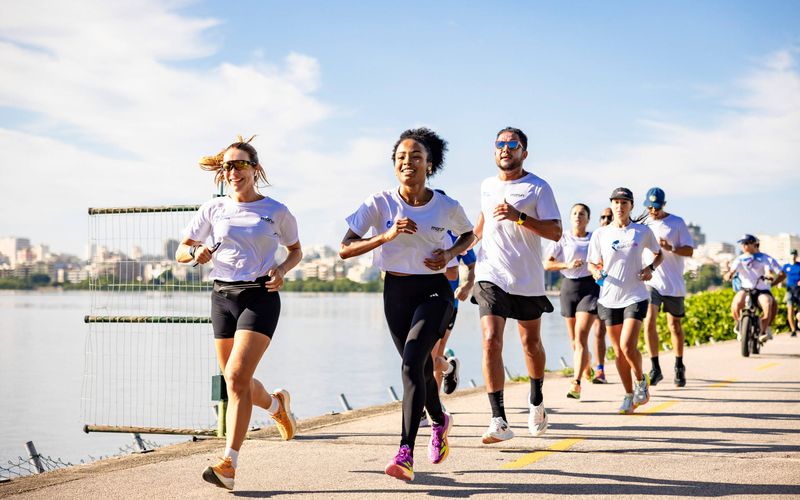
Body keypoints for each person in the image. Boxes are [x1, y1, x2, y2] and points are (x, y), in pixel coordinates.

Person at [340, 128, 474, 481]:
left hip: (435, 290)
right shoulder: (379, 203)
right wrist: (385, 236)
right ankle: (440, 420)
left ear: (430, 165)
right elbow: (344, 248)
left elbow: (469, 234)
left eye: (416, 157)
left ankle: (404, 452)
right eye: (401, 157)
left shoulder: (446, 206)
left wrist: (449, 252)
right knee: (415, 368)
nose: (407, 162)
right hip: (395, 292)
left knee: (413, 361)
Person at [177, 136, 303, 491]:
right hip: (221, 297)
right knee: (239, 381)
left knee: (234, 378)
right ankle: (277, 404)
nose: (233, 171)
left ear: (255, 169)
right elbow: (181, 252)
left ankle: (228, 464)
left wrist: (282, 271)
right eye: (228, 166)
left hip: (259, 296)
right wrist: (197, 252)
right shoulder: (213, 209)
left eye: (241, 164)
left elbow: (295, 251)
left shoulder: (276, 210)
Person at [472, 127, 562, 444]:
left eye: (513, 144)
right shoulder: (486, 186)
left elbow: (555, 232)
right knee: (490, 340)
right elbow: (479, 228)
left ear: (524, 152)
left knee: (530, 345)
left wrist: (519, 216)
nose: (505, 149)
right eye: (500, 144)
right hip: (490, 273)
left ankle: (536, 398)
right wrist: (454, 253)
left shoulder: (538, 187)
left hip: (526, 279)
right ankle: (498, 419)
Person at [588, 187, 663, 414]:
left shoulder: (641, 232)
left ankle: (641, 381)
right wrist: (595, 272)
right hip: (609, 298)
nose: (620, 206)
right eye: (616, 202)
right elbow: (592, 263)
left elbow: (659, 254)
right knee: (619, 352)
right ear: (611, 206)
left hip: (635, 295)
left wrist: (650, 268)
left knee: (627, 346)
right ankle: (629, 395)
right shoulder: (600, 234)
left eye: (624, 202)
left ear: (631, 206)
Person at [640, 187, 695, 388]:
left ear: (663, 205)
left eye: (656, 207)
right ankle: (655, 368)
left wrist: (670, 247)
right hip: (651, 281)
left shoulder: (677, 223)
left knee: (675, 326)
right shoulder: (643, 223)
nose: (652, 211)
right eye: (649, 206)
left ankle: (679, 365)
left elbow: (689, 251)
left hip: (673, 284)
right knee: (649, 321)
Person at [544, 203, 599, 400]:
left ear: (588, 218)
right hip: (568, 287)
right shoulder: (562, 238)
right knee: (574, 342)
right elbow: (547, 264)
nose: (578, 216)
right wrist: (567, 264)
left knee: (581, 336)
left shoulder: (594, 238)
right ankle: (586, 362)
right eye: (574, 213)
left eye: (582, 213)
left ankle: (575, 383)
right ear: (570, 217)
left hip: (590, 288)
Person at [432, 225, 477, 399]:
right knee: (421, 355)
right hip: (420, 300)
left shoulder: (457, 235)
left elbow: (474, 266)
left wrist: (467, 285)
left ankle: (432, 403)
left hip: (448, 302)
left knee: (435, 352)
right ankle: (449, 368)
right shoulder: (419, 231)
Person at [723, 234, 785, 341]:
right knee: (736, 304)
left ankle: (764, 330)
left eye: (746, 243)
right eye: (742, 244)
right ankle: (739, 324)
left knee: (767, 304)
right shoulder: (740, 259)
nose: (743, 246)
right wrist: (728, 275)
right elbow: (731, 271)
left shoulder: (765, 258)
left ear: (754, 244)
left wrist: (772, 281)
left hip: (762, 290)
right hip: (746, 289)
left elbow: (771, 271)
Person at [591, 207, 613, 383]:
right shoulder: (596, 236)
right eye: (602, 217)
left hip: (619, 291)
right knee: (598, 330)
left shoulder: (622, 238)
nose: (605, 220)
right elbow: (590, 262)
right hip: (596, 290)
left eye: (609, 217)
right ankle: (599, 369)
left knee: (617, 334)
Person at [783, 249, 800, 336]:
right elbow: (782, 276)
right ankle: (793, 330)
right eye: (791, 255)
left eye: (794, 255)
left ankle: (798, 323)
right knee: (790, 310)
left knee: (799, 313)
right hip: (789, 290)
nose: (793, 257)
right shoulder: (786, 266)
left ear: (796, 256)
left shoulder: (799, 266)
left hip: (799, 290)